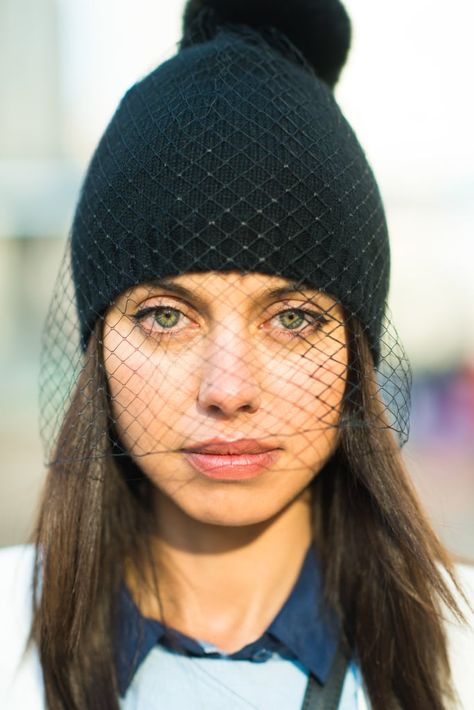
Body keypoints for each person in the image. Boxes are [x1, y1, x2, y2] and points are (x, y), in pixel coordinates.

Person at [0, 0, 473, 708]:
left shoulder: (460, 650)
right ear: (98, 347)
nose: (228, 388)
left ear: (357, 353)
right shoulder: (10, 634)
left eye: (293, 319)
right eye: (166, 317)